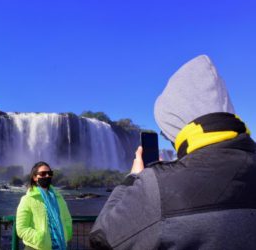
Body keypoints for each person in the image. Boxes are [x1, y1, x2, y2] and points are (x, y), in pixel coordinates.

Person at [89, 55, 256, 249]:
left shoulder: (157, 187)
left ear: (179, 125)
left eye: (167, 131)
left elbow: (101, 239)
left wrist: (133, 178)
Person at [16, 161, 73, 250]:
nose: (47, 176)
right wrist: (40, 239)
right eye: (43, 174)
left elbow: (67, 219)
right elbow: (21, 228)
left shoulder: (59, 198)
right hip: (36, 247)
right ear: (35, 177)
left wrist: (67, 234)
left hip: (61, 246)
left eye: (49, 173)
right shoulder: (27, 199)